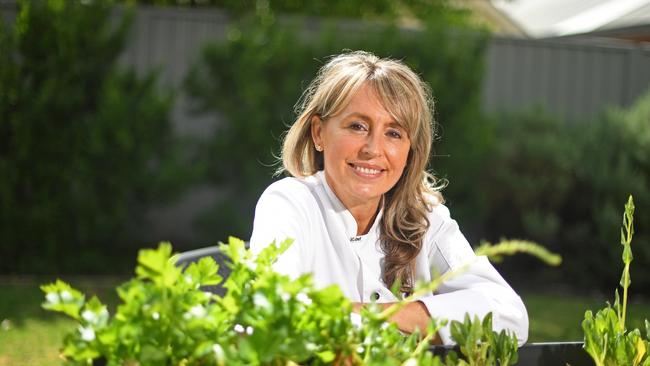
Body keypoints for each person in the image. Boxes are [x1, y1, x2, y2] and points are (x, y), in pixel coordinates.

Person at [249, 51, 528, 345]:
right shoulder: (290, 203)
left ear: (409, 151)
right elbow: (279, 311)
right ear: (319, 133)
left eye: (394, 133)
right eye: (357, 126)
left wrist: (369, 314)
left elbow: (509, 316)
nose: (373, 148)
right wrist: (419, 321)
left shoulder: (426, 219)